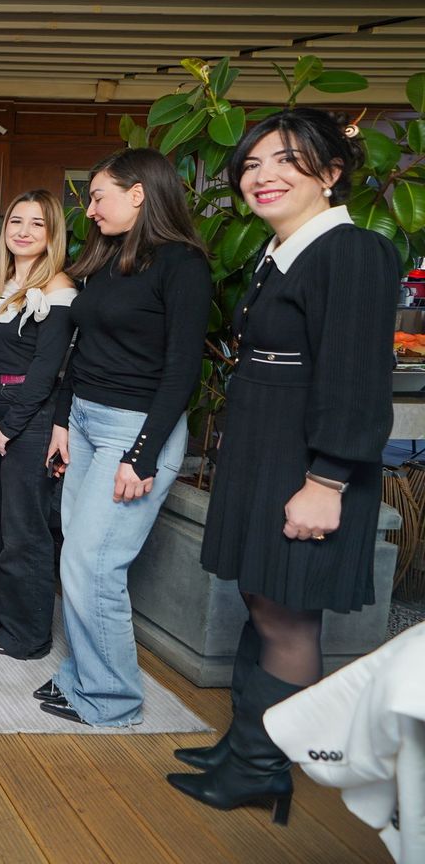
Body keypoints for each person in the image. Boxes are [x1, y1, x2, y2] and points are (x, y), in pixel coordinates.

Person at [167, 108, 396, 822]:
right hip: (268, 448)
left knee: (288, 617)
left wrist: (326, 482)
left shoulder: (352, 252)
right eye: (252, 164)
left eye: (285, 161)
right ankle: (243, 748)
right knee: (264, 600)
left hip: (309, 461)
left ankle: (264, 770)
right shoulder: (283, 252)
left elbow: (356, 380)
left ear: (330, 173)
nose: (262, 176)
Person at [35, 151, 213, 727]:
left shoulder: (183, 264)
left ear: (138, 194)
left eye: (97, 196)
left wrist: (143, 455)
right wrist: (63, 421)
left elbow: (183, 371)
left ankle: (112, 700)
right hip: (86, 421)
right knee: (77, 557)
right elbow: (82, 348)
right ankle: (84, 676)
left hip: (134, 430)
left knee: (94, 564)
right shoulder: (111, 257)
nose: (90, 210)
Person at [0, 190, 75, 660]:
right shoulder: (0, 282)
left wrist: (9, 427)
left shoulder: (60, 288)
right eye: (16, 222)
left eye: (36, 223)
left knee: (24, 528)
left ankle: (28, 635)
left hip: (29, 414)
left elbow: (47, 371)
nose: (23, 232)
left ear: (52, 233)